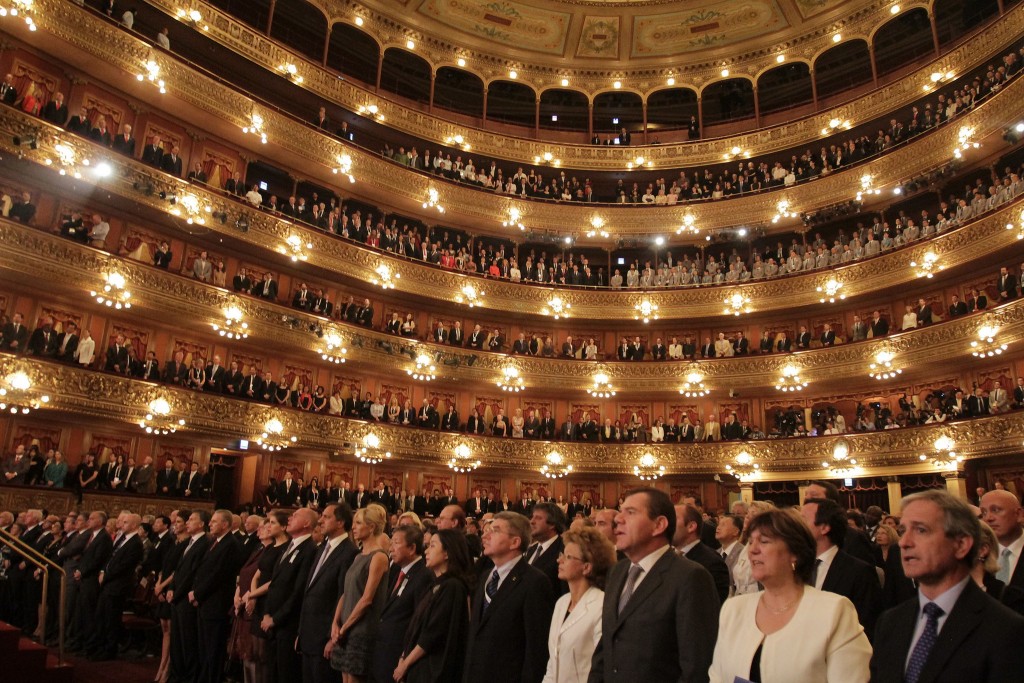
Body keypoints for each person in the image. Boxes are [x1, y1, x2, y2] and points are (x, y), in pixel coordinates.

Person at [870, 490, 1024, 682]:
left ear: (961, 545)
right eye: (903, 531)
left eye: (921, 530)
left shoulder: (1005, 628)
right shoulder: (890, 622)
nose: (905, 543)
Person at [708, 508, 871, 682]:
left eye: (764, 541)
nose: (752, 550)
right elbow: (717, 676)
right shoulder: (734, 609)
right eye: (750, 542)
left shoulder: (834, 611)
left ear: (795, 553)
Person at [589, 487, 719, 682]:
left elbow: (696, 666)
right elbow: (607, 646)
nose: (618, 519)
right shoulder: (617, 571)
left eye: (630, 512)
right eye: (621, 511)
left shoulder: (690, 577)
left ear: (659, 525)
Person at [464, 511, 554, 683]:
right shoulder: (485, 577)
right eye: (487, 530)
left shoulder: (534, 582)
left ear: (515, 542)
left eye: (495, 530)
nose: (486, 535)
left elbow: (536, 649)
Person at [394, 529, 473, 682]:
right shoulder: (435, 585)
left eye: (432, 546)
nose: (426, 551)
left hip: (431, 671)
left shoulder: (452, 587)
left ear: (447, 553)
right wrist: (403, 656)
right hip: (417, 667)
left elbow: (433, 633)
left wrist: (406, 664)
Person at [542, 527, 616, 683]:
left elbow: (601, 665)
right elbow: (553, 662)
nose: (559, 560)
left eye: (568, 557)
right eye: (562, 554)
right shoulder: (561, 603)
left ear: (587, 567)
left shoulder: (601, 605)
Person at [801, 497, 882, 638]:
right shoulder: (795, 567)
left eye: (803, 520)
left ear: (824, 527)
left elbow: (866, 626)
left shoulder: (859, 572)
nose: (795, 526)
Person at [327, 504, 389, 683]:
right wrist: (335, 623)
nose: (353, 527)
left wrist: (344, 627)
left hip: (361, 630)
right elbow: (346, 593)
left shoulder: (379, 557)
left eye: (358, 523)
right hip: (344, 629)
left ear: (371, 527)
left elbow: (367, 598)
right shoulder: (358, 556)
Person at [298, 503, 358, 683]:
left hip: (325, 639)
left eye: (326, 517)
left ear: (340, 523)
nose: (320, 521)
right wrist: (301, 632)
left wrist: (332, 639)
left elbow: (343, 596)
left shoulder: (349, 552)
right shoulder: (322, 548)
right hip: (308, 635)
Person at [369, 524, 432, 683]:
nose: (391, 548)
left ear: (412, 548)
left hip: (397, 657)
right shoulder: (400, 571)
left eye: (396, 543)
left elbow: (419, 622)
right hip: (382, 655)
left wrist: (405, 658)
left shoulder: (423, 575)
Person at [262, 508, 318, 683]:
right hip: (272, 623)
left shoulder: (309, 549)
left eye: (295, 516)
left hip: (288, 625)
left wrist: (276, 618)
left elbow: (298, 591)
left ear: (307, 523)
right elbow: (276, 584)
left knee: (286, 675)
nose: (290, 518)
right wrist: (266, 613)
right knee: (272, 674)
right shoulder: (289, 546)